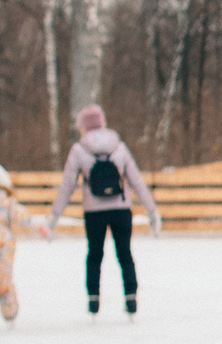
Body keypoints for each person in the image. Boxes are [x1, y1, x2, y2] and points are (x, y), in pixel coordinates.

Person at [48, 104, 160, 318]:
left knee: (94, 254)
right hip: (121, 209)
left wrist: (54, 216)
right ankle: (131, 298)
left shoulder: (80, 150)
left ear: (84, 125)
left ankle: (93, 300)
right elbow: (136, 181)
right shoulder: (119, 147)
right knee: (125, 254)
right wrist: (152, 210)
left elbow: (67, 185)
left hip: (93, 211)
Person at [0, 160, 49, 329]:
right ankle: (10, 312)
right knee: (4, 277)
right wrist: (41, 227)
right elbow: (22, 217)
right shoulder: (6, 200)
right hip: (3, 243)